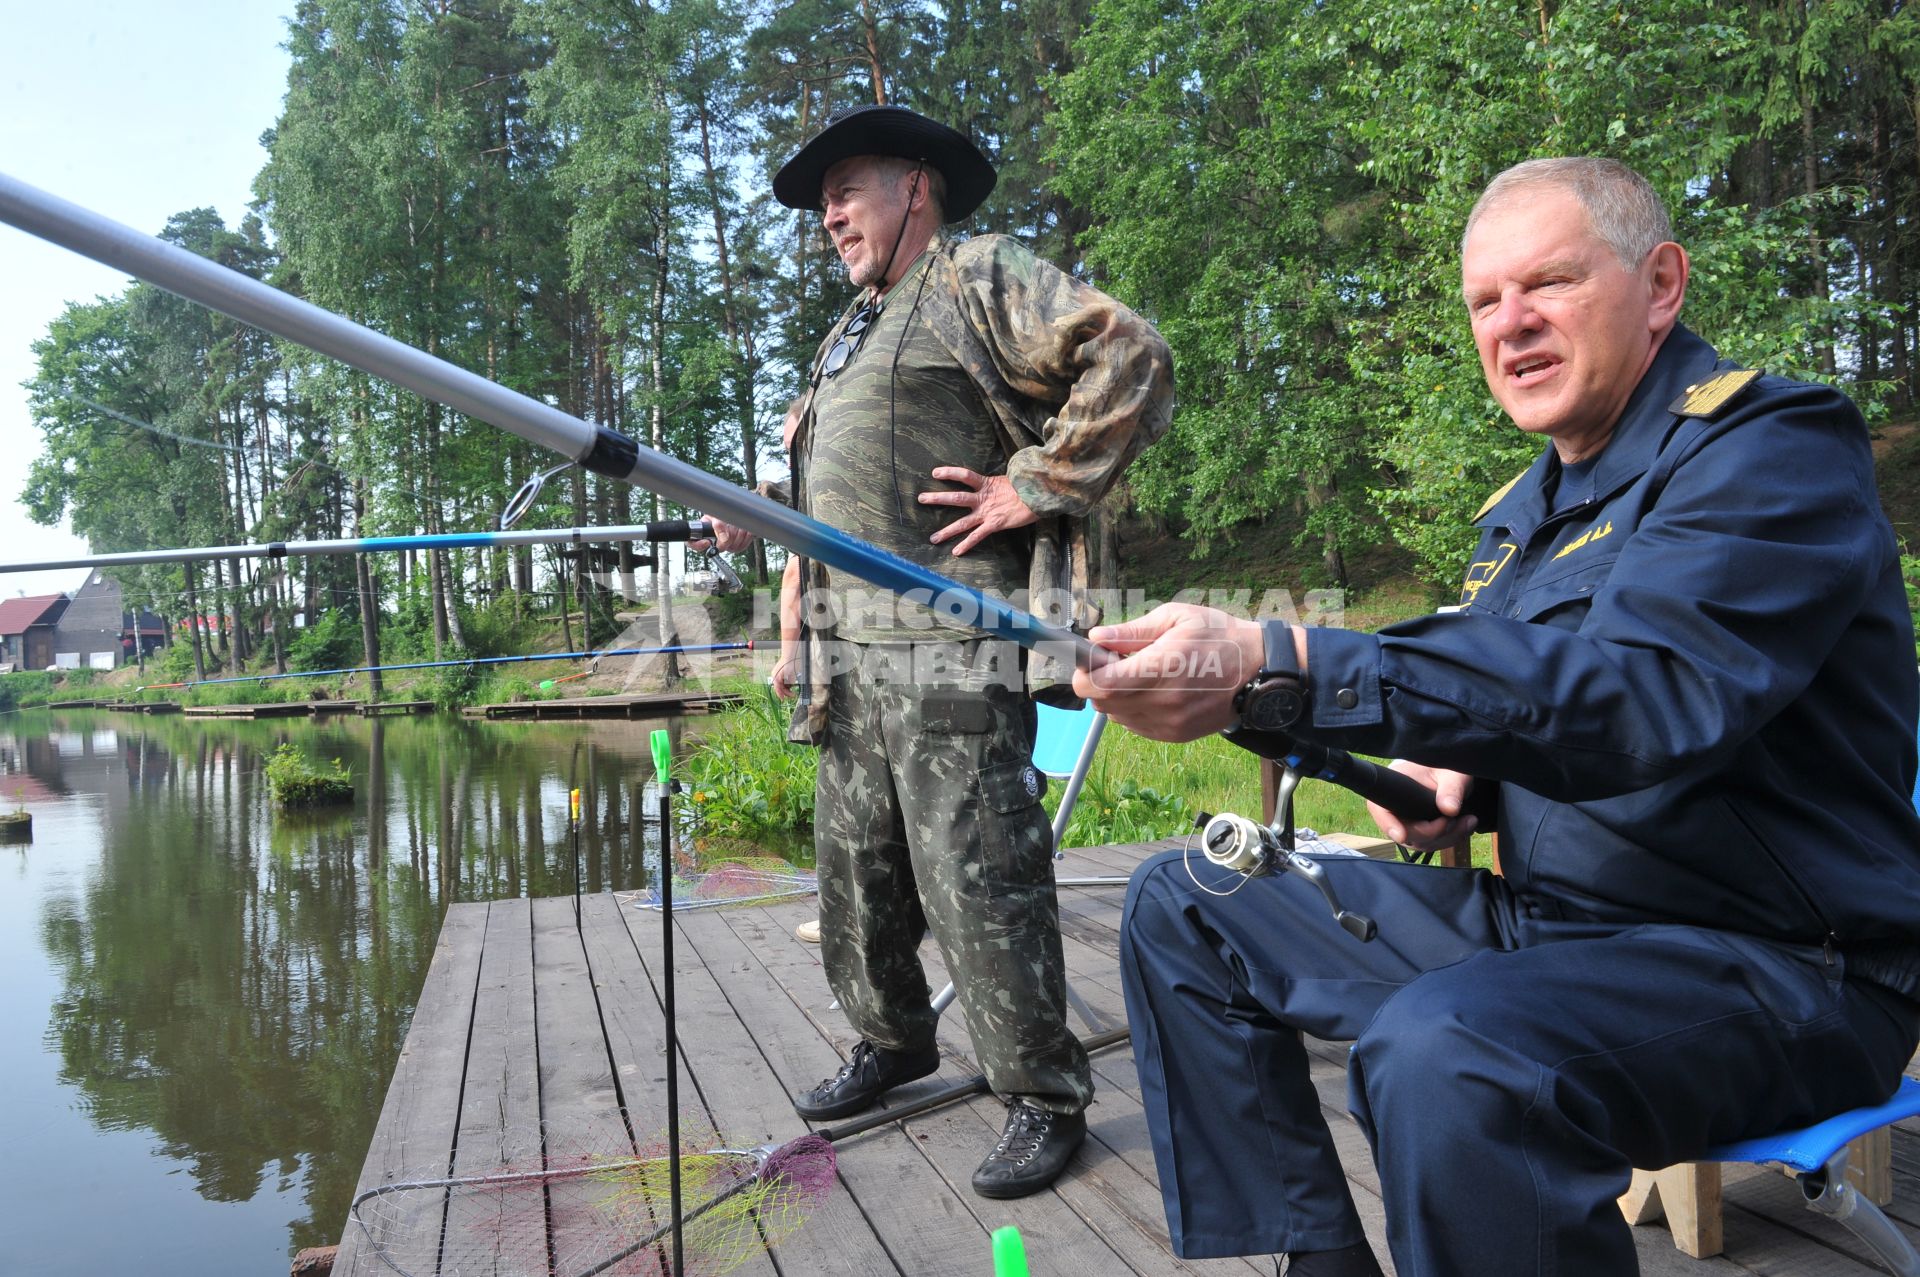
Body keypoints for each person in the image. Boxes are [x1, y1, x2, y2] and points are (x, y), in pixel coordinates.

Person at [1071, 157, 1920, 1275]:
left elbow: (1643, 695)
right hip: (1553, 933)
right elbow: (1503, 695)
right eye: (1484, 300)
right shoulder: (1522, 517)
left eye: (1550, 284)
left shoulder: (1770, 450)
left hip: (1778, 968)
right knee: (1190, 899)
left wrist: (1283, 653)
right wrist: (1414, 759)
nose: (1510, 325)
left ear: (1662, 283)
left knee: (1447, 1052)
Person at [699, 103, 1172, 1198]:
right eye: (821, 202)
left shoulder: (975, 276)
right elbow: (831, 494)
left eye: (846, 188)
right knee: (856, 872)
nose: (828, 215)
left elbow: (1131, 353)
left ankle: (1044, 1091)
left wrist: (1036, 482)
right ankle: (894, 1039)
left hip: (952, 645)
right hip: (847, 656)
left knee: (982, 874)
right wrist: (755, 517)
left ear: (916, 184)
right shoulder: (846, 332)